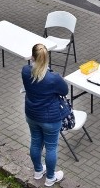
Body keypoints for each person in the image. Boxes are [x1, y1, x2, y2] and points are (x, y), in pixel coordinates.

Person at [22, 44, 69, 186]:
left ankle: (38, 171)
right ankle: (50, 177)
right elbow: (64, 91)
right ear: (46, 58)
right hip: (50, 118)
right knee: (51, 147)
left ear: (32, 57)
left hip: (32, 115)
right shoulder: (53, 78)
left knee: (35, 142)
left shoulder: (25, 71)